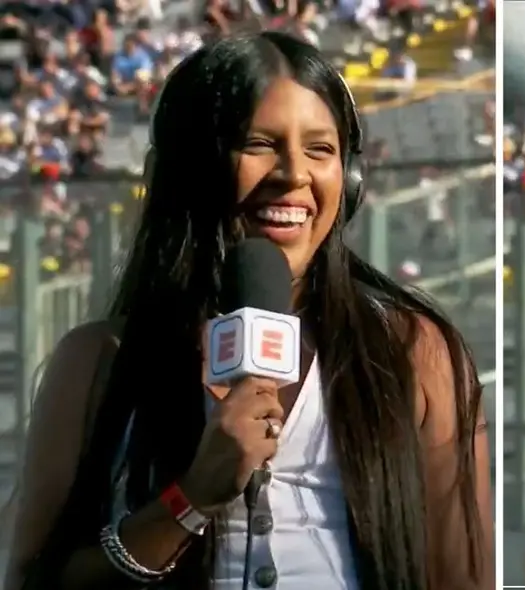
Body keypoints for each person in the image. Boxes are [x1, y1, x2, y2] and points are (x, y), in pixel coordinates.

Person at [2, 31, 492, 590]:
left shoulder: (415, 351)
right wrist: (190, 500)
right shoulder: (94, 363)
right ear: (190, 170)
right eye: (259, 144)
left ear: (350, 180)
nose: (294, 175)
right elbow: (29, 578)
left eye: (320, 149)